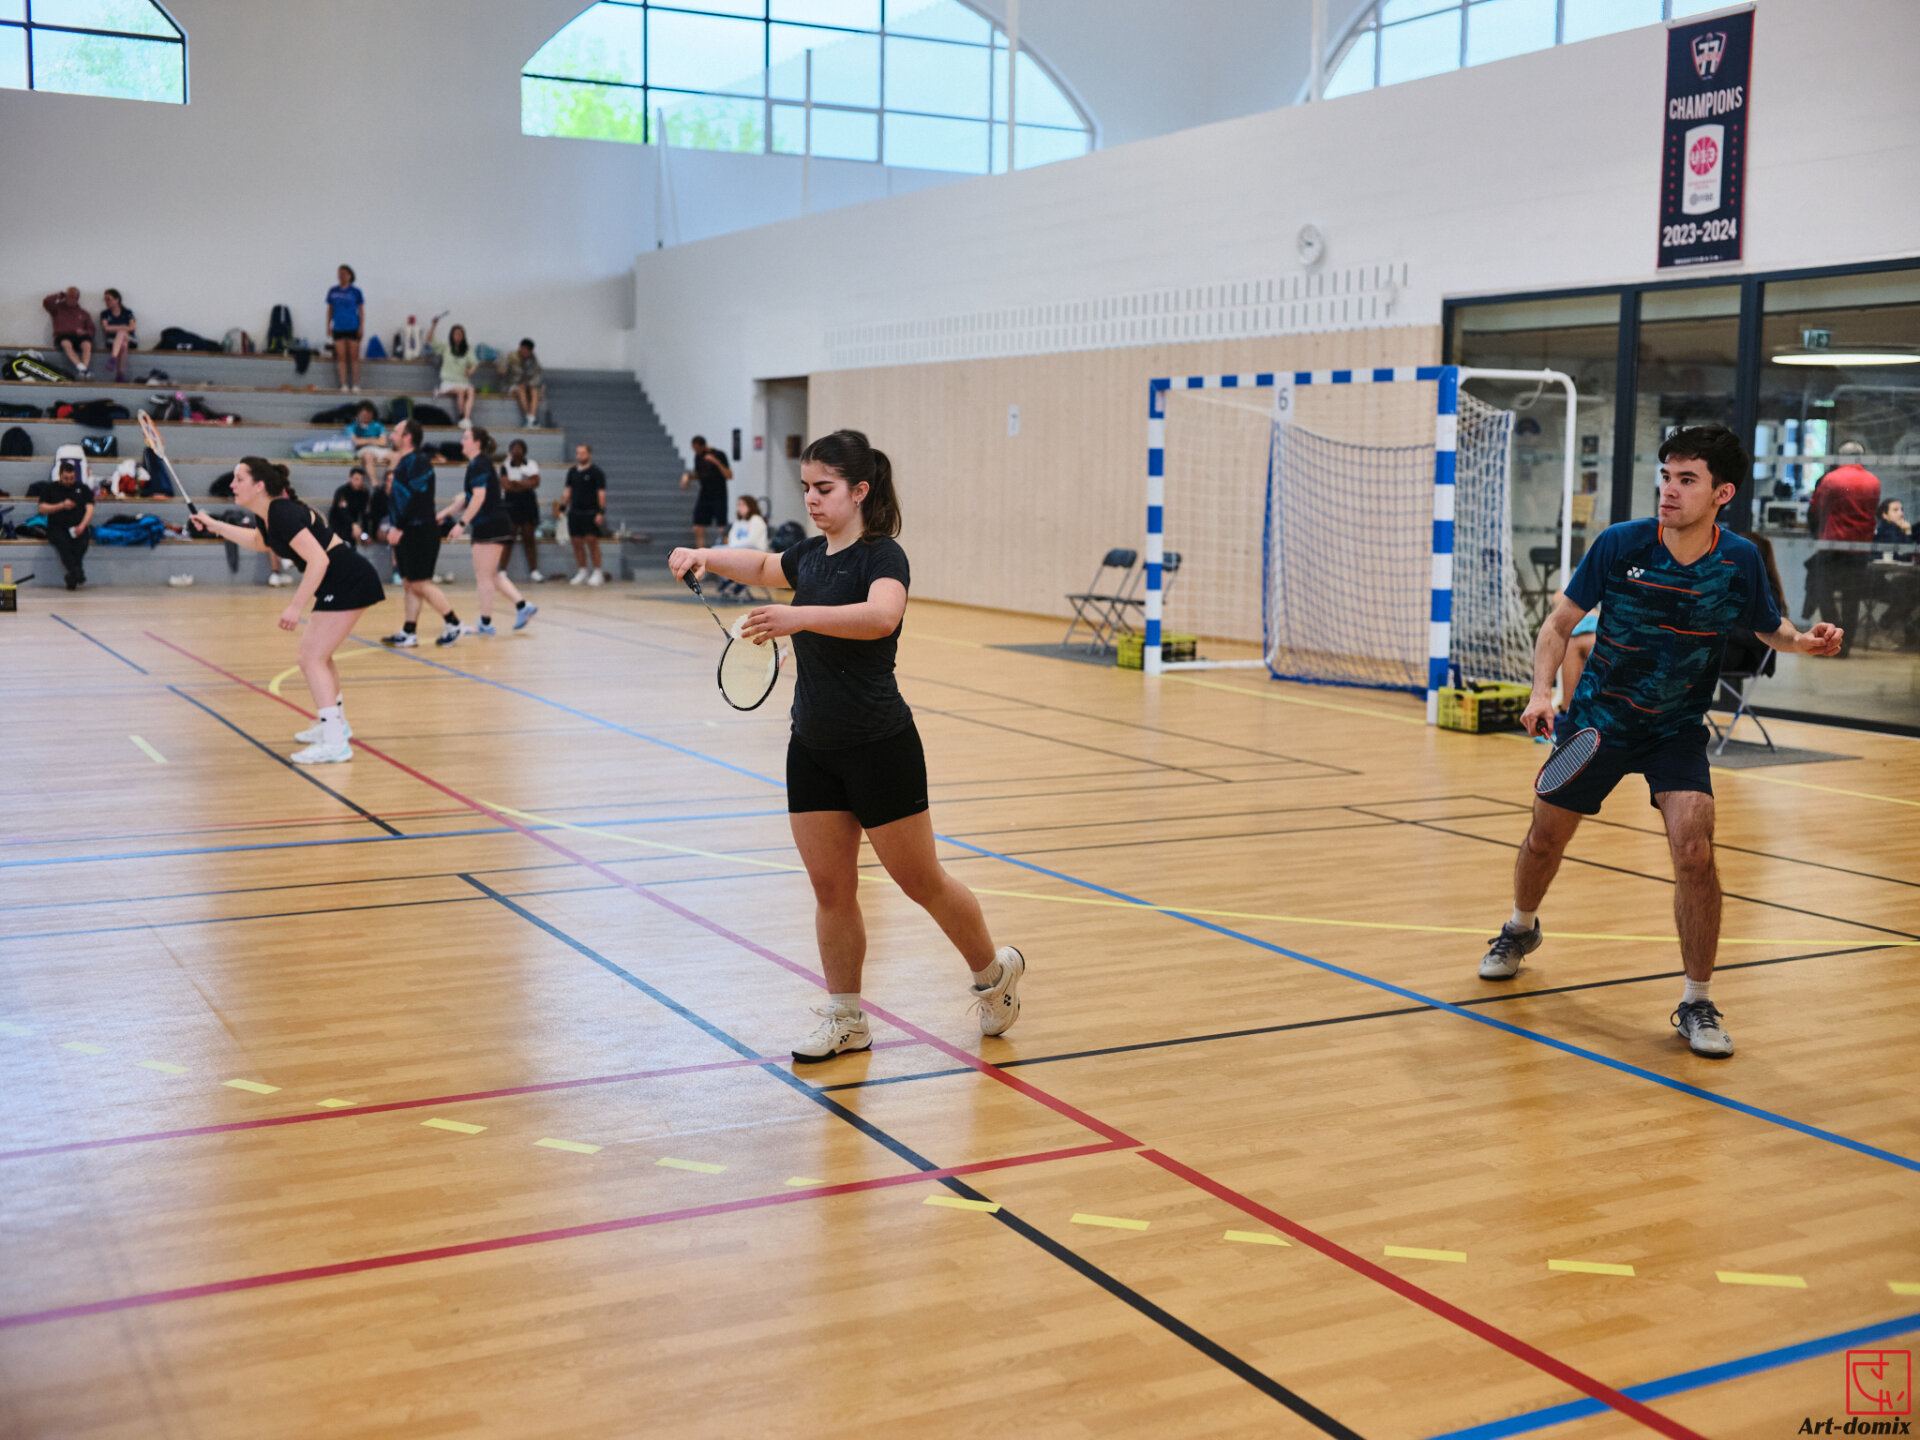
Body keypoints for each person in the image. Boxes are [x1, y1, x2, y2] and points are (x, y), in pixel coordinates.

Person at [1477, 425, 1843, 1058]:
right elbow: (1559, 625)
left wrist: (1801, 642)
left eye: (1687, 480)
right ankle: (1520, 926)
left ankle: (1697, 1001)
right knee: (1544, 838)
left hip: (1675, 730)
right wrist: (1541, 694)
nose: (1669, 491)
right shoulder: (1621, 544)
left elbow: (1768, 627)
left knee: (1694, 852)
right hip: (1597, 724)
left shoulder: (1738, 560)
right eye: (1666, 477)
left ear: (1722, 493)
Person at [667, 429, 1026, 1062]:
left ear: (859, 491)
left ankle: (994, 975)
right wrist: (704, 555)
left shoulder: (882, 557)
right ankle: (846, 1018)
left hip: (880, 746)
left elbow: (881, 617)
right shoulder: (808, 557)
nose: (811, 499)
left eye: (824, 488)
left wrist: (798, 616)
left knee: (922, 882)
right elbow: (762, 566)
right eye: (806, 487)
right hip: (812, 747)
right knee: (832, 891)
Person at [188, 458, 386, 765]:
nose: (232, 484)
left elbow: (319, 560)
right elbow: (259, 541)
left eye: (239, 479)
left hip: (348, 579)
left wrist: (295, 607)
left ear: (259, 485)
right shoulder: (269, 514)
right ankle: (336, 726)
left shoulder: (282, 512)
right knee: (319, 657)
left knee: (311, 658)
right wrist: (215, 525)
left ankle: (335, 742)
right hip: (340, 580)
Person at [376, 418, 463, 647]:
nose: (392, 435)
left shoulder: (419, 461)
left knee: (419, 583)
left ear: (408, 437)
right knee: (409, 583)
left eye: (396, 432)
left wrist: (399, 526)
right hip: (407, 530)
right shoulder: (405, 461)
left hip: (420, 530)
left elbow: (417, 498)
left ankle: (453, 622)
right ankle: (409, 631)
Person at [442, 427, 535, 635]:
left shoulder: (479, 464)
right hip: (493, 524)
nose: (462, 441)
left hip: (490, 525)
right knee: (491, 575)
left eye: (466, 438)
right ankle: (523, 606)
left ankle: (485, 623)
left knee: (484, 577)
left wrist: (461, 524)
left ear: (477, 443)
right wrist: (444, 513)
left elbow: (478, 497)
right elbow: (468, 499)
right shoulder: (478, 464)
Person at [1805, 440, 1880, 656]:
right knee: (1852, 597)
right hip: (1860, 548)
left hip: (1832, 545)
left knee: (1823, 590)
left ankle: (1831, 639)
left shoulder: (1831, 479)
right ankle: (1845, 644)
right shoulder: (1873, 481)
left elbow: (1816, 508)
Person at [30, 458, 94, 589]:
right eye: (66, 478)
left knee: (81, 543)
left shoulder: (82, 488)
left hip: (78, 526)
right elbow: (42, 508)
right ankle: (77, 572)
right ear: (60, 475)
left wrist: (82, 526)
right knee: (63, 544)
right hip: (57, 527)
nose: (69, 481)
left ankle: (72, 576)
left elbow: (90, 508)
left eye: (71, 478)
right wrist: (61, 505)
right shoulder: (50, 488)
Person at [560, 443, 607, 586]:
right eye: (578, 453)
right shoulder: (572, 472)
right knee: (576, 542)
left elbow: (601, 493)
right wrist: (563, 506)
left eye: (582, 453)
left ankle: (598, 571)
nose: (579, 456)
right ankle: (582, 571)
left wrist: (601, 511)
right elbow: (568, 490)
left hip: (590, 512)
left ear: (589, 454)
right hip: (575, 512)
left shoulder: (596, 472)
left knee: (592, 541)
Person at [501, 437, 544, 582]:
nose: (516, 451)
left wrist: (516, 483)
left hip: (528, 504)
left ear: (524, 451)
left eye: (519, 448)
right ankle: (502, 571)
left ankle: (534, 571)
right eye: (514, 448)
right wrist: (525, 483)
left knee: (529, 539)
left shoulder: (531, 464)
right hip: (511, 505)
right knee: (508, 538)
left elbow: (535, 482)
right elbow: (506, 486)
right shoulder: (505, 466)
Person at [680, 434, 732, 548]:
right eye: (694, 449)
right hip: (705, 495)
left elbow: (729, 475)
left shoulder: (718, 454)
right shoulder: (698, 457)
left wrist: (716, 462)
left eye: (697, 449)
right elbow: (698, 475)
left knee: (722, 527)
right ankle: (701, 553)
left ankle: (728, 551)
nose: (696, 452)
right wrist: (687, 476)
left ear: (703, 446)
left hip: (719, 495)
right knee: (697, 527)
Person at [714, 494, 769, 599]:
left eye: (742, 505)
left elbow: (752, 540)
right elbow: (732, 536)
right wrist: (733, 547)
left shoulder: (756, 520)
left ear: (750, 506)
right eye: (738, 505)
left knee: (729, 554)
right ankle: (728, 578)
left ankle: (740, 581)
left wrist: (735, 547)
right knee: (715, 551)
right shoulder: (739, 521)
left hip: (754, 550)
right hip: (738, 548)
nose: (739, 507)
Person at [425, 318, 477, 427]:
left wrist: (470, 370)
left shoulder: (467, 350)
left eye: (460, 334)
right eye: (456, 334)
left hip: (463, 381)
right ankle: (461, 416)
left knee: (471, 390)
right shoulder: (446, 348)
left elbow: (474, 363)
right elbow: (429, 340)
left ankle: (467, 418)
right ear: (452, 336)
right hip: (448, 383)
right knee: (461, 392)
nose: (458, 337)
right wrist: (434, 325)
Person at [326, 265, 366, 393]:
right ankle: (343, 384)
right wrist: (328, 326)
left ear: (350, 276)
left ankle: (355, 384)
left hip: (353, 327)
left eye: (344, 274)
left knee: (354, 357)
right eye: (339, 274)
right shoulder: (333, 291)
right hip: (338, 327)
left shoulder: (356, 292)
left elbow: (361, 310)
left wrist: (361, 327)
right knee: (341, 357)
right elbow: (330, 309)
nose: (341, 276)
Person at [43, 287, 94, 375]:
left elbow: (91, 330)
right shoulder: (57, 309)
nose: (71, 299)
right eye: (69, 296)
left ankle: (84, 369)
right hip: (63, 336)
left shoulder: (83, 313)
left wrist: (84, 332)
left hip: (79, 337)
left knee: (87, 344)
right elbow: (46, 302)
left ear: (77, 298)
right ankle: (81, 368)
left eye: (74, 297)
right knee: (66, 343)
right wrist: (58, 295)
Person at [498, 339, 545, 428]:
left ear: (530, 351)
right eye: (523, 349)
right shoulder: (511, 357)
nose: (524, 352)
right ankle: (530, 419)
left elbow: (537, 375)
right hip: (511, 385)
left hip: (527, 385)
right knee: (521, 390)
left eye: (527, 351)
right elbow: (501, 371)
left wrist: (528, 383)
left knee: (534, 390)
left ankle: (531, 418)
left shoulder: (533, 361)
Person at [344, 401, 391, 485]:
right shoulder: (351, 427)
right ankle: (375, 484)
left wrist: (363, 440)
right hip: (362, 450)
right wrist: (373, 439)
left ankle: (390, 481)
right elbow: (355, 442)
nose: (367, 416)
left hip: (378, 449)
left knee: (395, 455)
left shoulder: (378, 425)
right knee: (368, 455)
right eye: (364, 414)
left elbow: (383, 442)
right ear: (359, 414)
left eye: (369, 414)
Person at [329, 466, 375, 546]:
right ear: (350, 479)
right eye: (356, 479)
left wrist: (365, 533)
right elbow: (342, 512)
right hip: (339, 524)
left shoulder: (364, 493)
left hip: (354, 524)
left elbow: (365, 514)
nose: (359, 482)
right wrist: (353, 524)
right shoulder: (342, 491)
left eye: (361, 480)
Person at [99, 289, 136, 382]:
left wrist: (117, 328)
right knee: (123, 345)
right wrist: (122, 326)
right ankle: (120, 374)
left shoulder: (127, 312)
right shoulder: (105, 314)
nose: (107, 302)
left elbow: (132, 328)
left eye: (109, 299)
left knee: (121, 333)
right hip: (112, 340)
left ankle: (113, 358)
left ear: (117, 299)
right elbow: (106, 328)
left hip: (129, 338)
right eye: (105, 300)